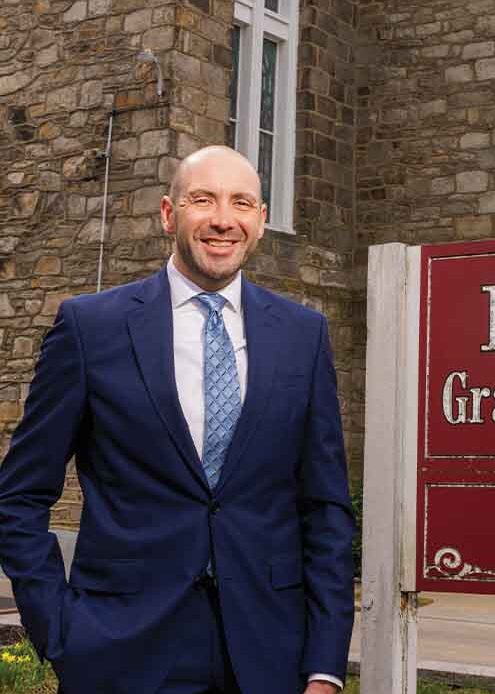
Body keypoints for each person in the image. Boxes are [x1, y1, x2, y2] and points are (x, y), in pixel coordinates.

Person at [0, 146, 355, 693]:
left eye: (241, 202)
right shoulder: (91, 329)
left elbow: (325, 509)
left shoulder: (303, 336)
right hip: (121, 652)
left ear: (260, 222)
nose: (222, 219)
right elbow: (19, 496)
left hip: (268, 656)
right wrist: (59, 628)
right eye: (202, 199)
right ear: (169, 214)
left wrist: (326, 666)